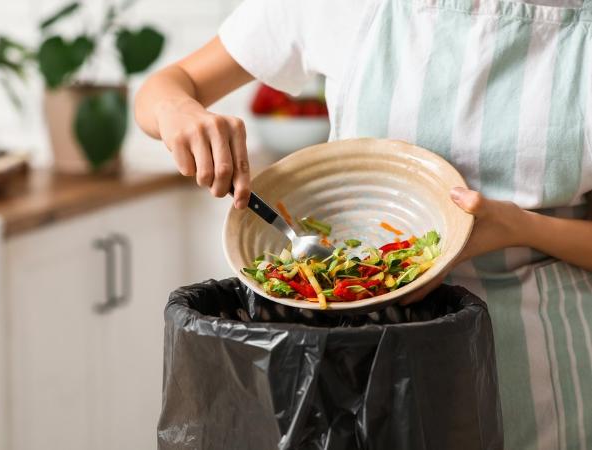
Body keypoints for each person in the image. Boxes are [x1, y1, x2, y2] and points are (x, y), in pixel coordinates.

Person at [134, 0, 592, 448]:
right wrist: (179, 111)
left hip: (539, 371)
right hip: (357, 373)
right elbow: (168, 86)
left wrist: (520, 227)